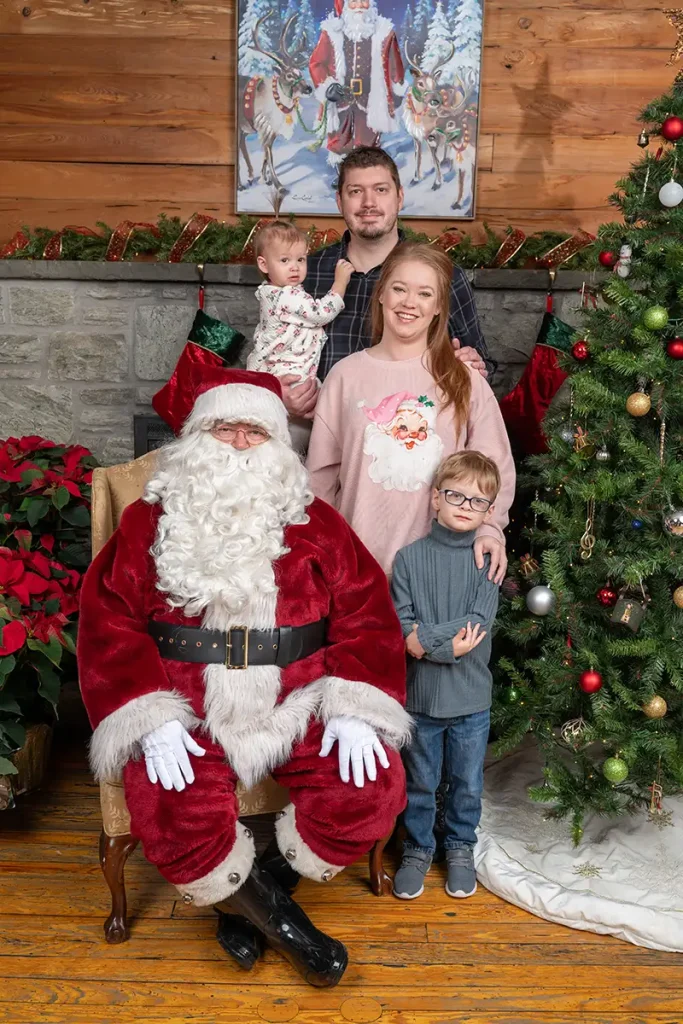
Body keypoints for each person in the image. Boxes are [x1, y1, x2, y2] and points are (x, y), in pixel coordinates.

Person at [77, 349, 410, 988]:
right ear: (196, 438)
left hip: (297, 702)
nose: (237, 443)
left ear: (277, 445)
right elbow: (106, 620)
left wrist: (355, 703)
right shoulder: (149, 520)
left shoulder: (315, 521)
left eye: (253, 430)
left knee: (369, 793)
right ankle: (292, 932)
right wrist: (147, 714)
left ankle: (251, 907)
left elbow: (367, 611)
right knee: (174, 814)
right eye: (222, 429)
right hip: (187, 711)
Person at [305, 241, 514, 582]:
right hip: (356, 569)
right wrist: (322, 551)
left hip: (441, 569)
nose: (409, 303)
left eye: (424, 294)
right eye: (399, 289)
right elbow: (321, 480)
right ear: (382, 295)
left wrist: (490, 528)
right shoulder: (344, 376)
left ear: (438, 308)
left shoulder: (463, 379)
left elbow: (496, 467)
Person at [280, 146, 495, 425]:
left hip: (407, 432)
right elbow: (270, 348)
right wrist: (280, 393)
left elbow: (486, 366)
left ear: (400, 197)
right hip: (316, 425)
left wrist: (475, 364)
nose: (369, 203)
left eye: (381, 190)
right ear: (339, 201)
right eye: (356, 192)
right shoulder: (306, 274)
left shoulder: (441, 275)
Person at [390, 451, 501, 900]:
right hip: (421, 699)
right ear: (436, 498)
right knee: (420, 782)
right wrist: (417, 640)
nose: (464, 505)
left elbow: (477, 624)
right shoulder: (408, 559)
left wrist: (423, 641)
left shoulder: (486, 562)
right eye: (455, 494)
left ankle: (459, 847)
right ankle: (417, 848)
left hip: (471, 699)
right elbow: (400, 626)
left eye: (477, 501)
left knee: (467, 784)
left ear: (489, 511)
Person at [247, 220, 354, 386]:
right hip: (289, 371)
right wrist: (340, 282)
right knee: (318, 395)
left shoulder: (268, 291)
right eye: (284, 260)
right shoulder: (287, 296)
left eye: (301, 259)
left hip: (276, 368)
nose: (294, 267)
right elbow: (321, 313)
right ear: (264, 264)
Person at [309, 0, 406, 168]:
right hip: (339, 98)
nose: (359, 6)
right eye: (353, 2)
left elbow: (395, 65)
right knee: (339, 139)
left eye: (364, 1)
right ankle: (342, 174)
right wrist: (327, 86)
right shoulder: (331, 32)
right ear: (345, 6)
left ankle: (363, 173)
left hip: (370, 98)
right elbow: (316, 63)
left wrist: (395, 92)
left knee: (368, 139)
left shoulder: (384, 32)